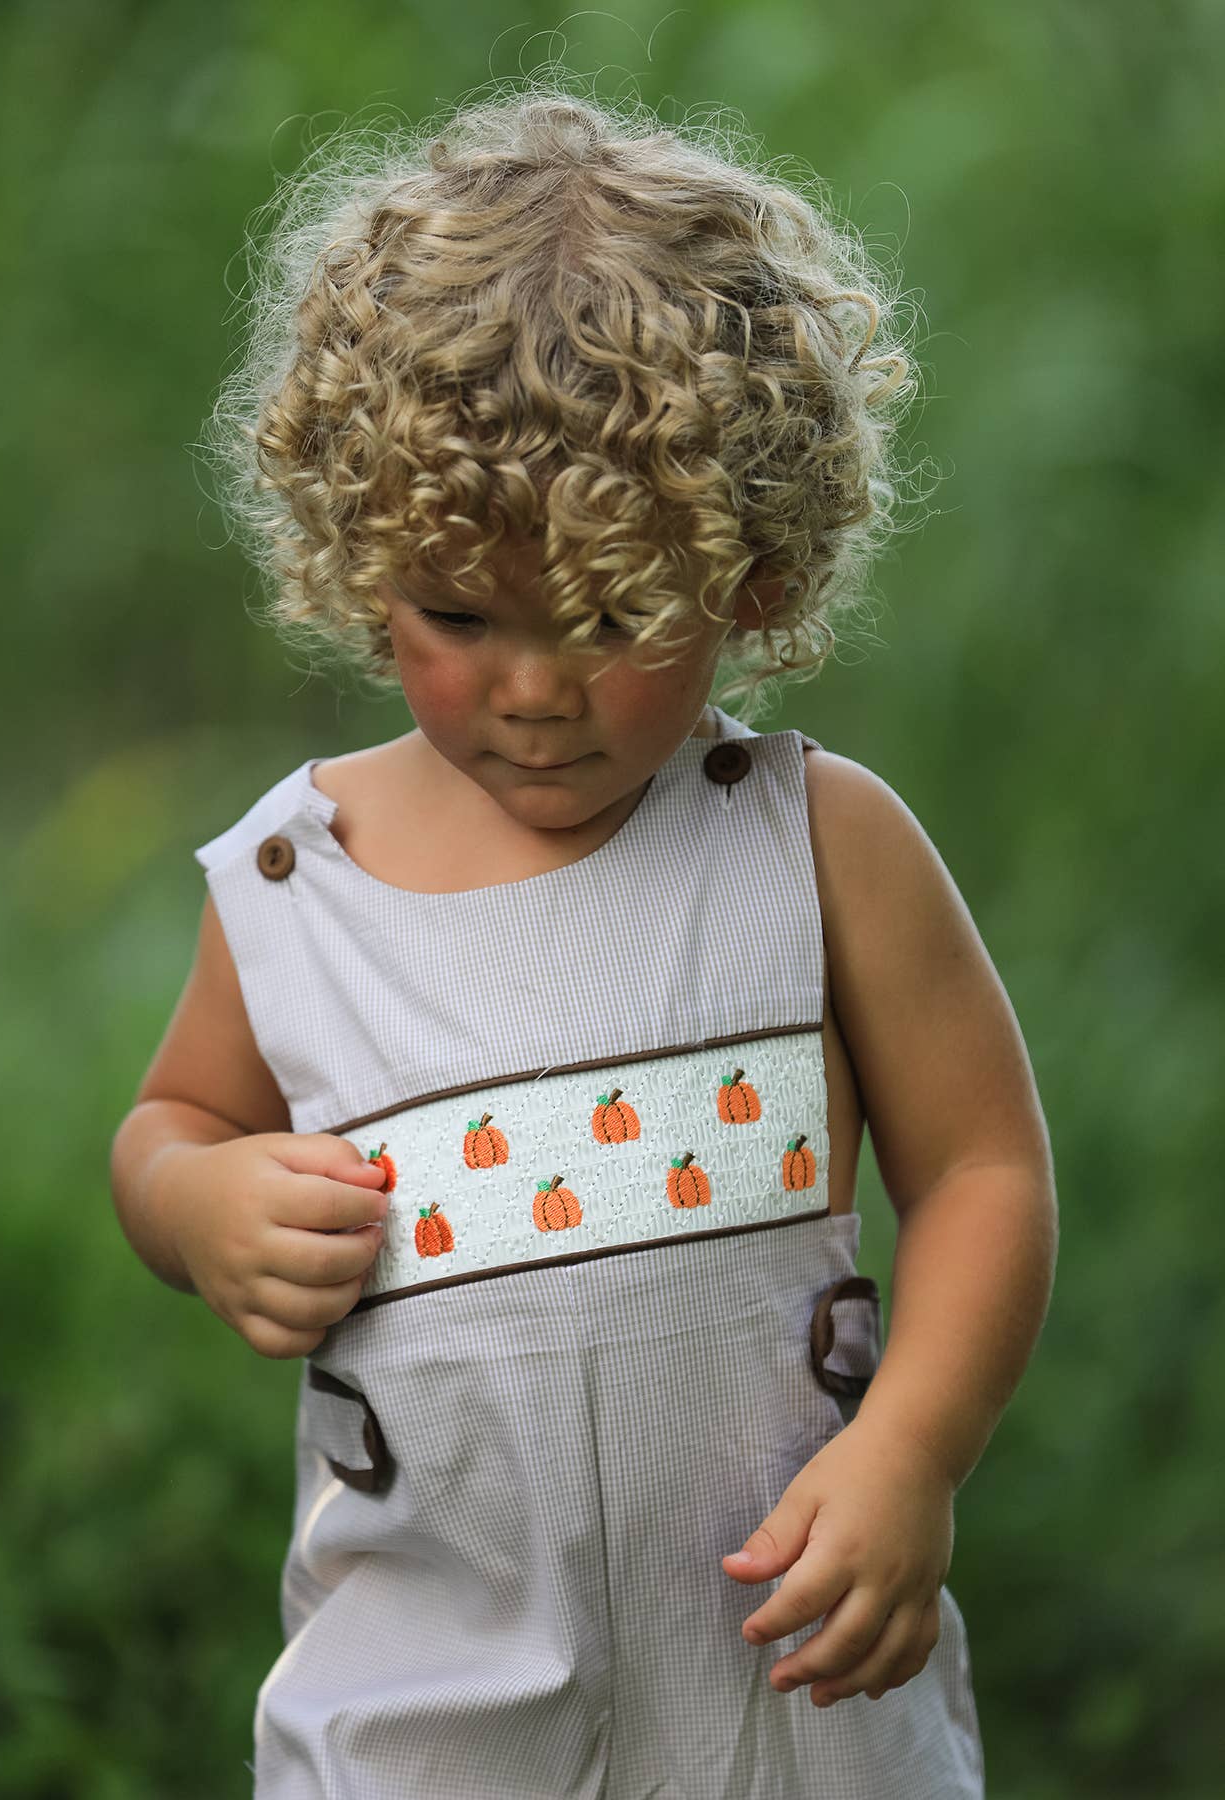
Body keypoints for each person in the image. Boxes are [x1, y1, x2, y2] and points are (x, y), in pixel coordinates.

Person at [110, 80, 1057, 1799]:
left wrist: (912, 1452)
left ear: (749, 574)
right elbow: (170, 1125)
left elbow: (985, 1168)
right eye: (456, 616)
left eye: (616, 617)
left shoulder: (810, 844)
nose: (532, 690)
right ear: (357, 557)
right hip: (426, 1691)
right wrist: (195, 1204)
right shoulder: (290, 881)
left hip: (785, 1667)